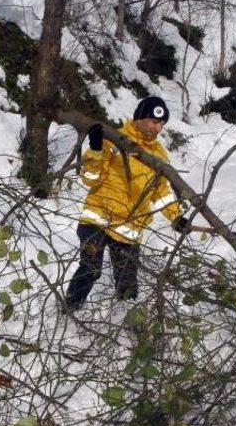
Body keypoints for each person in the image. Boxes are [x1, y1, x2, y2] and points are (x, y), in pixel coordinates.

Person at [64, 96, 194, 312]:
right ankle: (69, 308)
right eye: (154, 121)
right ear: (140, 118)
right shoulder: (113, 141)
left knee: (127, 284)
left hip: (130, 228)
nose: (158, 127)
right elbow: (90, 178)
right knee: (91, 268)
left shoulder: (158, 155)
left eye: (161, 124)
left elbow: (161, 191)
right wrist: (96, 148)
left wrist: (176, 217)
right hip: (97, 220)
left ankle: (126, 321)